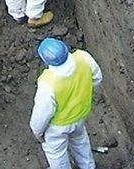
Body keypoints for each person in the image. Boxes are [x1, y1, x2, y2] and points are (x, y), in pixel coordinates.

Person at [30, 38, 103, 169]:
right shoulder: (83, 58)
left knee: (56, 154)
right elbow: (97, 78)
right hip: (80, 115)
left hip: (57, 127)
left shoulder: (48, 84)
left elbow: (42, 114)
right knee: (80, 142)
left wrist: (37, 132)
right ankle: (88, 166)